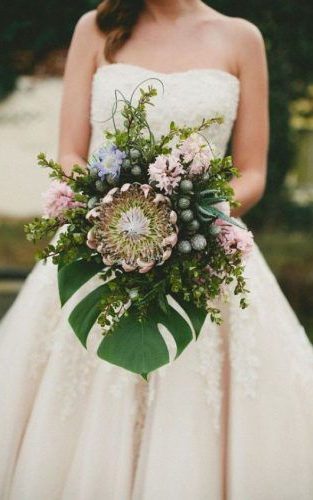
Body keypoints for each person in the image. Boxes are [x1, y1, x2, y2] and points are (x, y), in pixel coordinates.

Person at [1, 1, 313, 498]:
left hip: (204, 246)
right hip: (100, 242)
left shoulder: (241, 38)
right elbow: (69, 150)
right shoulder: (97, 28)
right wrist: (113, 209)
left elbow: (252, 171)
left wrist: (187, 212)